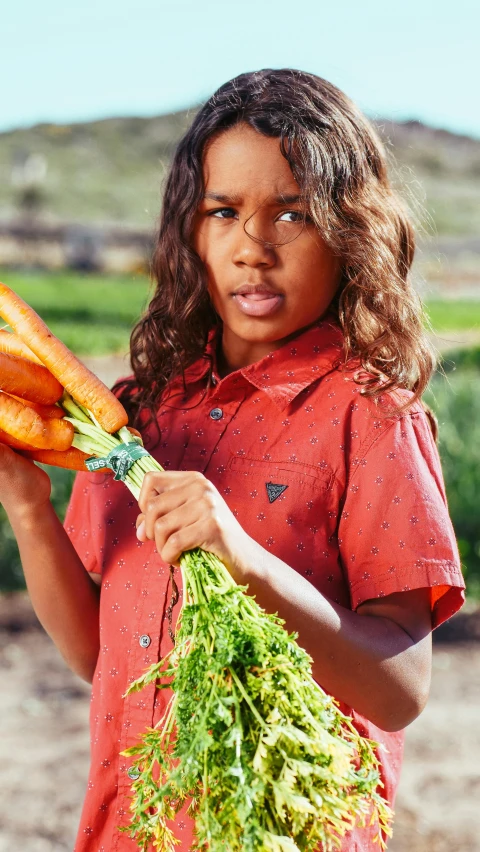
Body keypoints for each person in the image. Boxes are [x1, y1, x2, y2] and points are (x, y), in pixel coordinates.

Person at [0, 69, 464, 851]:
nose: (254, 246)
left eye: (293, 213)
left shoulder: (372, 418)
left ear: (350, 231)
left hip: (285, 832)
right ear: (192, 231)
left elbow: (402, 687)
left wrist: (245, 561)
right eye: (224, 212)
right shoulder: (137, 415)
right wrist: (26, 506)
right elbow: (94, 653)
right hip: (132, 827)